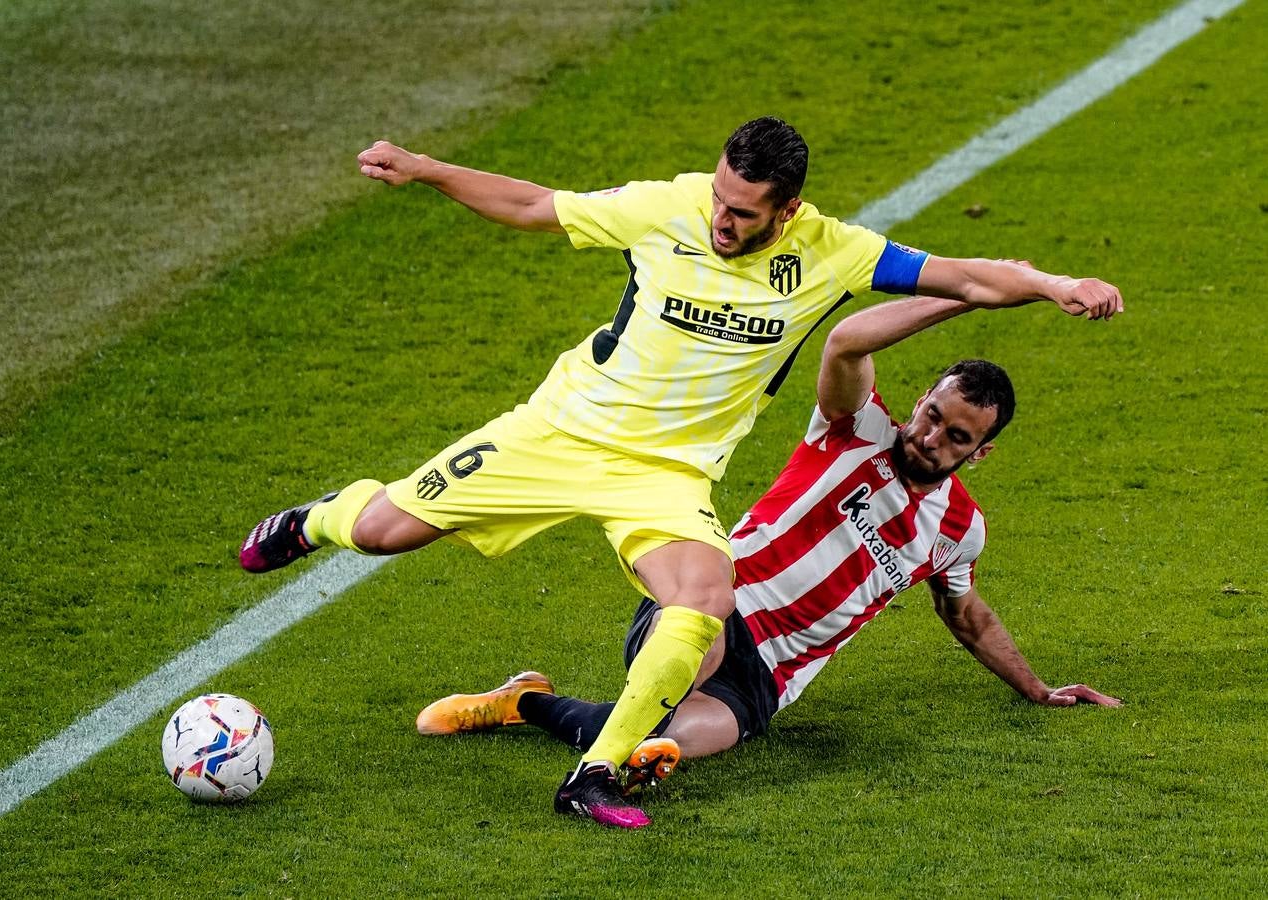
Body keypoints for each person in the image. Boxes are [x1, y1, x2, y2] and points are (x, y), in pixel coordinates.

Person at [239, 117, 1123, 829]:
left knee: (699, 598)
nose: (719, 219)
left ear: (788, 211)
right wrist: (429, 168)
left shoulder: (831, 253)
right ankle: (315, 517)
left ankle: (591, 775)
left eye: (742, 212)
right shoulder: (667, 206)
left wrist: (1050, 282)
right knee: (378, 534)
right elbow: (532, 206)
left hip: (663, 475)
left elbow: (965, 277)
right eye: (720, 196)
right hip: (559, 430)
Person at [416, 291, 1122, 801]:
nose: (932, 438)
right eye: (932, 416)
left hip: (773, 678)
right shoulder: (853, 431)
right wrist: (965, 297)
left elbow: (967, 617)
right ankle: (596, 741)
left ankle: (522, 704)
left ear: (981, 453)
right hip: (711, 607)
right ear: (919, 403)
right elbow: (847, 340)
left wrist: (1036, 689)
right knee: (684, 671)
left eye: (956, 437)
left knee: (665, 738)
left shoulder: (957, 530)